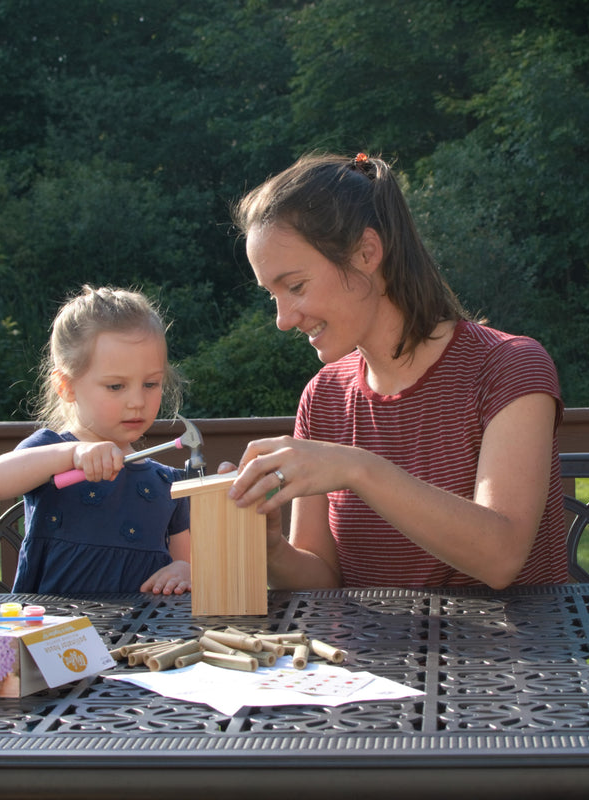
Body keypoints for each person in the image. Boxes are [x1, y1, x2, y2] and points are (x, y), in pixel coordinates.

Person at [225, 152, 567, 590]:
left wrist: (357, 468)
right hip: (368, 658)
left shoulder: (508, 367)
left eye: (295, 287)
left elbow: (501, 557)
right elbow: (323, 578)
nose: (283, 319)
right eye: (272, 294)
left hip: (512, 656)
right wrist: (271, 549)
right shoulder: (324, 396)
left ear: (367, 252)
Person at [0, 285, 191, 595]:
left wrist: (185, 570)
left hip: (143, 640)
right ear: (66, 386)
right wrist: (73, 453)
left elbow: (188, 564)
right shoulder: (52, 452)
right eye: (116, 386)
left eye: (150, 383)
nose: (137, 401)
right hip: (52, 636)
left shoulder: (167, 483)